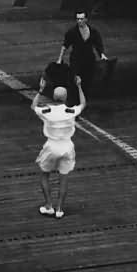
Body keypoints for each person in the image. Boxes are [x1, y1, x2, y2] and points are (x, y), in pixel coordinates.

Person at [32, 78, 85, 218]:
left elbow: (33, 106)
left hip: (52, 145)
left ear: (53, 97)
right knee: (64, 178)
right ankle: (60, 209)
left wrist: (41, 89)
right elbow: (83, 104)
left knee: (44, 175)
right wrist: (79, 86)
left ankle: (49, 205)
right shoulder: (70, 111)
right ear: (66, 97)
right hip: (67, 146)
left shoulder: (47, 111)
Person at [59, 11, 116, 95]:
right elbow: (65, 45)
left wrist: (102, 55)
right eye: (78, 19)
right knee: (75, 79)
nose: (79, 21)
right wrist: (60, 58)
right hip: (76, 59)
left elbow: (98, 45)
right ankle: (74, 97)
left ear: (86, 19)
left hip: (89, 58)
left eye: (81, 19)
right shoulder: (72, 32)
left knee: (87, 79)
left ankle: (84, 97)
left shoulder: (93, 31)